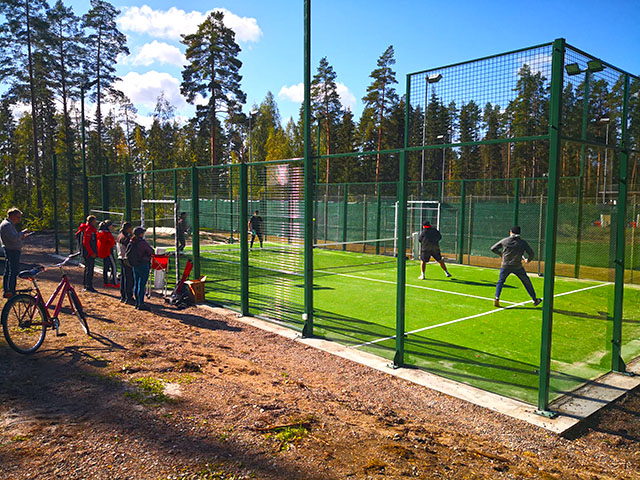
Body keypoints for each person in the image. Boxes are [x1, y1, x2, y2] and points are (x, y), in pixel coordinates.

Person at [491, 226, 542, 308]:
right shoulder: (522, 243)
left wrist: (500, 254)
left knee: (500, 281)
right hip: (517, 266)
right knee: (526, 282)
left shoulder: (505, 241)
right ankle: (535, 300)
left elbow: (493, 248)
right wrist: (528, 260)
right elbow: (531, 253)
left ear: (511, 232)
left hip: (505, 265)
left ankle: (497, 298)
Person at [1, 208, 30, 298]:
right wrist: (22, 233)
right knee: (13, 271)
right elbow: (13, 238)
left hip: (12, 249)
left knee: (9, 270)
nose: (19, 219)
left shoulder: (9, 224)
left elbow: (13, 238)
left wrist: (21, 237)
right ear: (12, 216)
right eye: (18, 217)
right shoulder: (7, 225)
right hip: (12, 250)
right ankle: (11, 291)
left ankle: (8, 290)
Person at [130, 226, 154, 310]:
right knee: (142, 284)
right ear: (140, 234)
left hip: (135, 265)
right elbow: (151, 251)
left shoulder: (132, 241)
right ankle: (141, 303)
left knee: (136, 284)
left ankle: (137, 303)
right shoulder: (142, 243)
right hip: (143, 264)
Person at [79, 215, 98, 292]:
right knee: (89, 269)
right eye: (94, 221)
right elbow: (86, 243)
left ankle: (86, 284)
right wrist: (91, 252)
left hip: (88, 252)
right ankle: (88, 285)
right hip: (88, 253)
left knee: (88, 268)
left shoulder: (90, 229)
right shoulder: (89, 230)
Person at [97, 220, 118, 288]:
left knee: (105, 267)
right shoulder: (107, 234)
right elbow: (111, 243)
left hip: (103, 252)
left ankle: (106, 282)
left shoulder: (100, 233)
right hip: (108, 252)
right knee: (113, 266)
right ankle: (114, 282)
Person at [117, 222, 135, 304]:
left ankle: (123, 296)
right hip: (125, 259)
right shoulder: (126, 238)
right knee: (129, 279)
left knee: (124, 278)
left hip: (120, 257)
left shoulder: (120, 235)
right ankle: (128, 297)